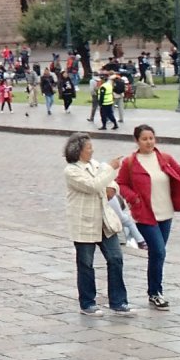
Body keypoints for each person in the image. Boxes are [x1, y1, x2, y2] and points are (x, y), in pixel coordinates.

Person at [114, 125, 180, 310]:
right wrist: (134, 198)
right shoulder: (130, 162)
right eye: (144, 139)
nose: (149, 142)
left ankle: (153, 291)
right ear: (137, 141)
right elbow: (121, 183)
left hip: (165, 212)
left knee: (157, 254)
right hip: (145, 215)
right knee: (159, 251)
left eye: (151, 138)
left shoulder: (165, 158)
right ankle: (156, 292)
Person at [63, 134, 132, 317]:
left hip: (104, 220)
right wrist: (110, 168)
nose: (92, 150)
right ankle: (87, 303)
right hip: (84, 222)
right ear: (79, 150)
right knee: (86, 263)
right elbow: (93, 185)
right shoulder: (72, 171)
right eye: (88, 147)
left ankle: (118, 301)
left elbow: (110, 182)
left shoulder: (95, 165)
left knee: (116, 258)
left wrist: (112, 188)